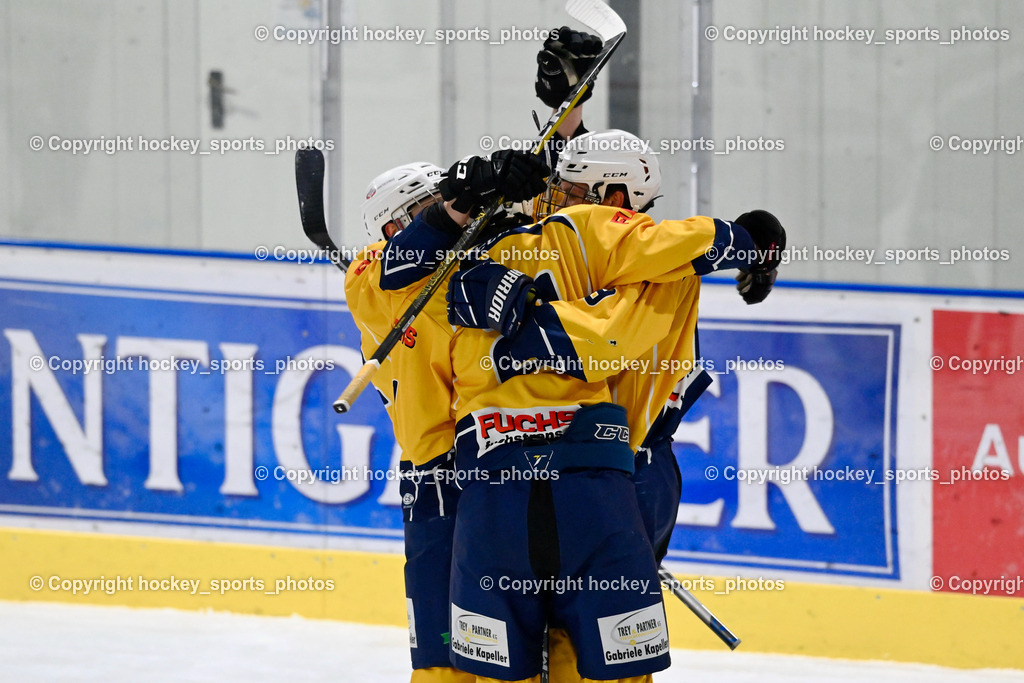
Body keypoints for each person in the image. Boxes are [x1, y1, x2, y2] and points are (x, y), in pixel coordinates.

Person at [383, 129, 785, 681]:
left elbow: (607, 331)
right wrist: (752, 244)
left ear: (615, 198)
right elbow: (695, 245)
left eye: (569, 188)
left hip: (594, 468)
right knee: (552, 655)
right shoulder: (584, 241)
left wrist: (522, 310)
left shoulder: (590, 245)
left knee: (541, 656)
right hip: (593, 466)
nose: (555, 196)